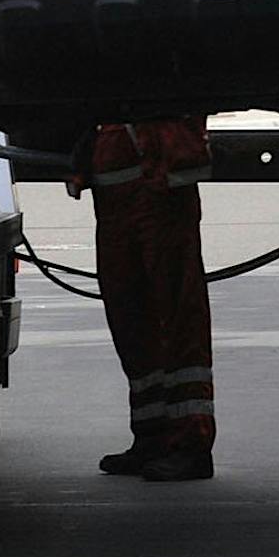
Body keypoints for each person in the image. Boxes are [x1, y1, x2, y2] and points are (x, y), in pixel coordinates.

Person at [69, 118, 216, 482]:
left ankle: (190, 443)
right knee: (130, 317)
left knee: (176, 315)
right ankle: (152, 435)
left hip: (159, 184)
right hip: (118, 192)